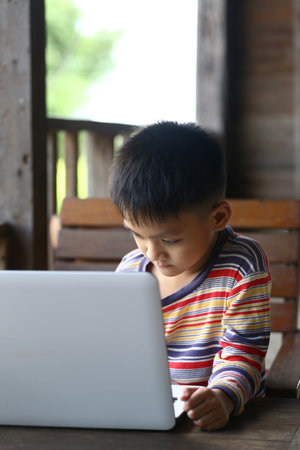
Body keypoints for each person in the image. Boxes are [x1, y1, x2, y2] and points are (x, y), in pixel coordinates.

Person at [110, 121, 271, 431]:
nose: (152, 253)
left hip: (221, 414)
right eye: (137, 235)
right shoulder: (130, 269)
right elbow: (119, 350)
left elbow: (244, 352)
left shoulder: (241, 265)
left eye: (169, 240)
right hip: (149, 413)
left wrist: (223, 397)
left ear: (218, 217)